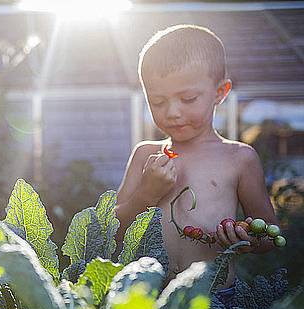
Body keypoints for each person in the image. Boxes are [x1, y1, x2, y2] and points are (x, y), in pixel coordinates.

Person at [114, 24, 279, 291]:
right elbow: (114, 231)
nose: (173, 112)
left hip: (214, 300)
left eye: (188, 99)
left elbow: (271, 235)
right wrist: (146, 194)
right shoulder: (145, 155)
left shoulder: (239, 158)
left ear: (220, 92)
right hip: (149, 299)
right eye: (157, 101)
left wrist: (246, 238)